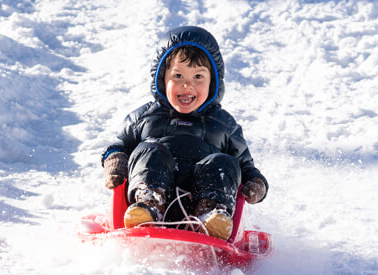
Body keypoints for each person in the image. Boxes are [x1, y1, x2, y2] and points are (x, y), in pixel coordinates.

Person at [101, 26, 268, 241]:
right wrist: (115, 161)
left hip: (201, 204)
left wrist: (257, 183)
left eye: (198, 76)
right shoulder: (144, 117)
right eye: (178, 75)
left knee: (224, 162)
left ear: (213, 83)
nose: (187, 84)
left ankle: (212, 216)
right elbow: (119, 146)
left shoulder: (224, 125)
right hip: (152, 195)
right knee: (149, 150)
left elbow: (245, 166)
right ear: (163, 79)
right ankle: (148, 208)